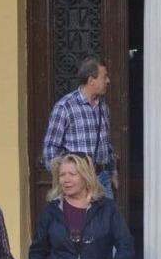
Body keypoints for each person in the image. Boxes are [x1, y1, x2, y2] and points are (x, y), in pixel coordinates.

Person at [43, 55, 119, 199]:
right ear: (91, 80)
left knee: (107, 214)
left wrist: (113, 173)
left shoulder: (103, 107)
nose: (108, 81)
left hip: (102, 179)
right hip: (78, 181)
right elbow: (51, 148)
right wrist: (64, 178)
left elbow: (107, 144)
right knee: (77, 214)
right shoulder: (65, 107)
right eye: (104, 77)